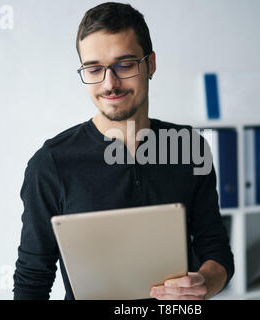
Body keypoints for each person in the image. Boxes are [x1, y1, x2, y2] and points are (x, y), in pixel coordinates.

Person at [13, 2, 234, 300]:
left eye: (125, 65)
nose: (110, 83)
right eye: (94, 69)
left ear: (150, 64)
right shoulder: (50, 163)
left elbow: (216, 249)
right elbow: (32, 280)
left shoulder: (189, 146)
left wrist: (204, 282)